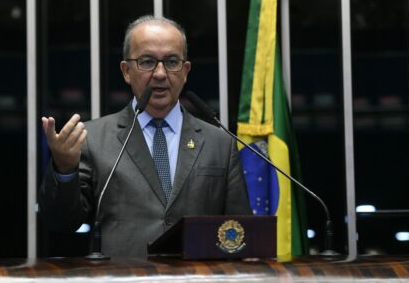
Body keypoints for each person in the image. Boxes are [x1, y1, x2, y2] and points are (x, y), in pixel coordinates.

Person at [39, 15, 252, 258]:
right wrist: (64, 169)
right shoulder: (93, 138)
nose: (160, 73)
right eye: (147, 61)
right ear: (126, 71)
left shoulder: (220, 143)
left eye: (171, 62)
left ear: (185, 71)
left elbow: (240, 233)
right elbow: (61, 222)